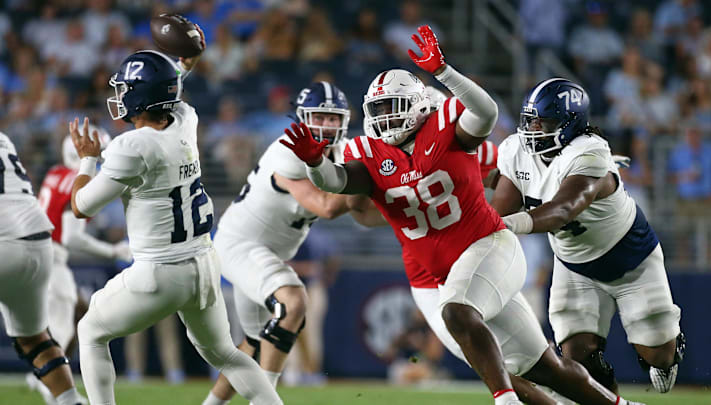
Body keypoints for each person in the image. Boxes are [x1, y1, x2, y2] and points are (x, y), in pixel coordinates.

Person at [282, 25, 644, 405]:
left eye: (394, 107)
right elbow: (337, 183)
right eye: (380, 109)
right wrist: (313, 162)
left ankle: (504, 401)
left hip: (486, 246)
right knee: (541, 366)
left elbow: (490, 122)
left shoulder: (449, 129)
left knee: (459, 314)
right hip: (435, 271)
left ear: (423, 105)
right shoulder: (367, 151)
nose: (386, 118)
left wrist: (444, 71)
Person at [69, 29, 282, 405]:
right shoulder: (186, 120)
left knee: (90, 331)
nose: (119, 96)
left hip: (159, 272)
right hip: (201, 263)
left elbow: (81, 205)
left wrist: (87, 157)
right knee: (226, 355)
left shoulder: (130, 146)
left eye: (125, 89)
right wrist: (184, 63)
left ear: (138, 96)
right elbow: (172, 91)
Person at [491, 77, 684, 394]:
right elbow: (499, 210)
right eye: (531, 121)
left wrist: (509, 225)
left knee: (656, 352)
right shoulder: (516, 150)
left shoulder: (589, 152)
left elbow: (563, 209)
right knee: (576, 360)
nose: (534, 130)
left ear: (569, 125)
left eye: (545, 122)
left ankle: (668, 352)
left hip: (630, 258)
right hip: (574, 264)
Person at [201, 81, 353, 405]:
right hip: (240, 244)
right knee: (293, 302)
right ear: (301, 118)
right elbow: (326, 207)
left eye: (333, 118)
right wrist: (367, 192)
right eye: (320, 117)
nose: (327, 125)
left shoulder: (341, 153)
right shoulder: (288, 151)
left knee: (254, 343)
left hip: (265, 249)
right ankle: (266, 401)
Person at [28, 128, 130, 404]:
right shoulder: (77, 181)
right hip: (51, 254)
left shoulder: (56, 172)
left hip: (36, 249)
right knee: (62, 328)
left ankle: (42, 379)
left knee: (63, 319)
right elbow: (72, 238)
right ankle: (53, 389)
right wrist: (113, 250)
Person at [0, 133, 87, 405]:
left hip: (4, 242)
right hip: (39, 243)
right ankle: (69, 400)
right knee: (36, 341)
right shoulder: (4, 140)